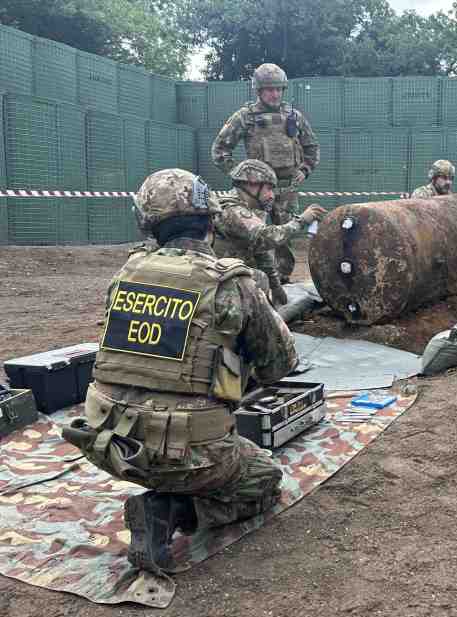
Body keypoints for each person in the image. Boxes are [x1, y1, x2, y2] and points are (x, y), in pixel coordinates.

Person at [62, 168, 298, 574]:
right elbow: (280, 366)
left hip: (108, 445)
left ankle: (163, 501)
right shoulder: (231, 283)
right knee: (262, 478)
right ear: (211, 223)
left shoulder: (125, 275)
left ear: (149, 226)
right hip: (193, 456)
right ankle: (170, 511)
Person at [211, 63, 320, 283]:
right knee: (256, 239)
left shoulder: (294, 116)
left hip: (287, 189)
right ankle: (249, 279)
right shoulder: (245, 116)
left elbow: (312, 147)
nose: (275, 94)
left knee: (285, 239)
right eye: (269, 89)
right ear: (259, 90)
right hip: (256, 192)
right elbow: (219, 150)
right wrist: (243, 177)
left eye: (279, 89)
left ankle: (283, 281)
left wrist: (305, 169)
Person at [213, 159, 325, 306]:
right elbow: (264, 237)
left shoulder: (249, 210)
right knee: (258, 279)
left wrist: (275, 285)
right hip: (218, 285)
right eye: (269, 189)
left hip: (232, 275)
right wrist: (301, 221)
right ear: (252, 185)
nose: (272, 195)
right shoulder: (230, 209)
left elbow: (260, 251)